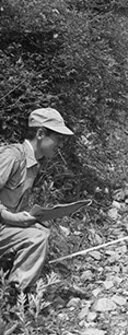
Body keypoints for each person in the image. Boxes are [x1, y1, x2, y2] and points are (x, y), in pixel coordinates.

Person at [0, 108, 74, 291]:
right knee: (36, 236)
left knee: (39, 231)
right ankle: (16, 296)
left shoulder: (33, 165)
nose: (61, 144)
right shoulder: (12, 157)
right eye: (58, 138)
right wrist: (11, 218)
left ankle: (15, 294)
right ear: (41, 134)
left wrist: (32, 218)